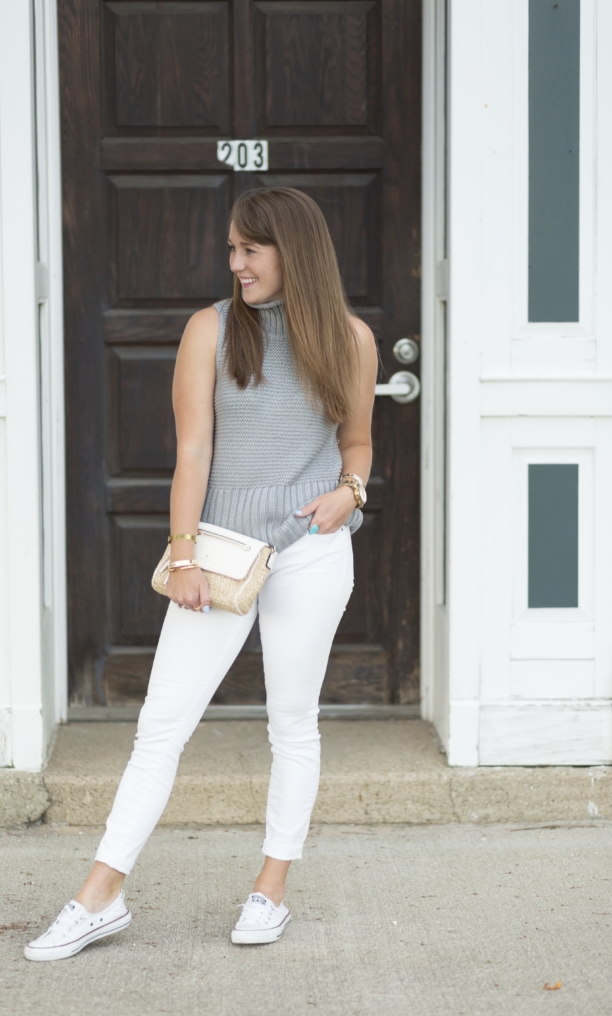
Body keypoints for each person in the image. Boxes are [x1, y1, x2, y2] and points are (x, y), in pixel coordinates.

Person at [24, 187, 377, 961]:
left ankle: (269, 889)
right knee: (161, 725)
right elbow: (191, 453)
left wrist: (346, 494)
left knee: (292, 724)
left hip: (313, 552)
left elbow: (356, 443)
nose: (234, 264)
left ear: (294, 252)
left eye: (250, 249)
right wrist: (181, 555)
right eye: (231, 250)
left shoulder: (350, 339)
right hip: (217, 554)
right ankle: (100, 894)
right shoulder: (209, 331)